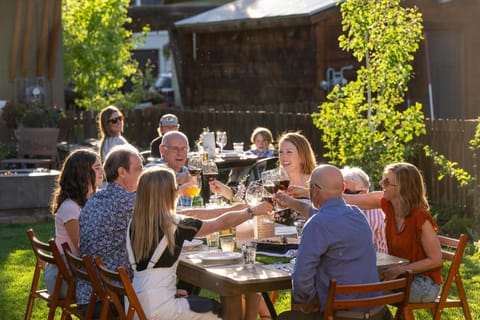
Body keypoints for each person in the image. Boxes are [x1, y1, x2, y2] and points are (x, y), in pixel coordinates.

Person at [127, 167, 273, 320]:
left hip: (136, 305)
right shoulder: (174, 224)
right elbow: (221, 223)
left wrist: (167, 291)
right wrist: (252, 211)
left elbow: (148, 269)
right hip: (160, 311)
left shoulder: (135, 224)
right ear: (168, 193)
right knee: (227, 310)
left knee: (215, 303)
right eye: (175, 188)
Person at [274, 165, 389, 320]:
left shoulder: (317, 224)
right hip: (377, 313)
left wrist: (309, 300)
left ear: (314, 190)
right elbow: (315, 212)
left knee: (286, 317)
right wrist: (290, 201)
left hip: (340, 315)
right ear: (342, 188)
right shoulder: (357, 215)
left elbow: (301, 279)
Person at [344, 162, 443, 303]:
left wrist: (399, 270)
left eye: (386, 181)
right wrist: (308, 192)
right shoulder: (390, 207)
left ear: (402, 188)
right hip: (402, 276)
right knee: (355, 284)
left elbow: (436, 260)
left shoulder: (420, 218)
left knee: (361, 291)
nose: (380, 183)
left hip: (423, 284)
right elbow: (349, 200)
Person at [77, 144, 144, 316]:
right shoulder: (127, 201)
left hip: (89, 297)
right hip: (109, 299)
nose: (143, 174)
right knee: (171, 297)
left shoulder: (96, 198)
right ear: (122, 172)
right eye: (138, 169)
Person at [44, 149, 104, 298]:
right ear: (82, 173)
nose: (102, 170)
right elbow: (83, 247)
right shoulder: (70, 208)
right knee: (118, 287)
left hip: (75, 271)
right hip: (63, 279)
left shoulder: (90, 200)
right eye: (97, 167)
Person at [341, 166, 388, 253]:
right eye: (340, 191)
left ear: (362, 193)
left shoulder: (373, 213)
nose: (343, 197)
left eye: (346, 192)